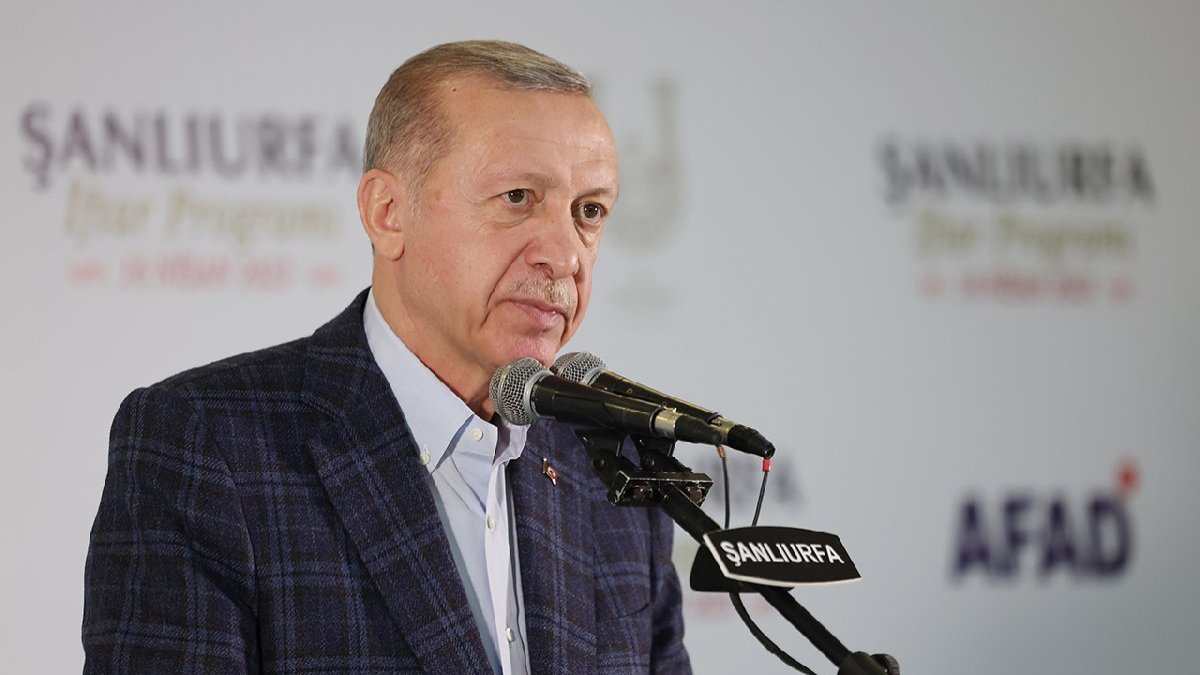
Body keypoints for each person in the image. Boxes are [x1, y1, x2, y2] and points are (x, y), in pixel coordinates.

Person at [82, 41, 690, 674]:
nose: (564, 256)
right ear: (388, 213)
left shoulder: (610, 470)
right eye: (517, 197)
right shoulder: (207, 444)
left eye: (589, 211)